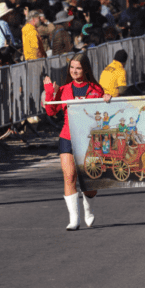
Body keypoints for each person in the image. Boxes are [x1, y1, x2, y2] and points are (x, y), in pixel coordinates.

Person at [43, 53, 108, 230]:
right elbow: (51, 111)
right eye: (72, 68)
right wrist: (50, 92)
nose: (74, 71)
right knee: (69, 176)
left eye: (78, 68)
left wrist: (107, 100)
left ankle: (89, 208)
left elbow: (103, 114)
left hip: (89, 139)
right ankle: (74, 219)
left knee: (89, 182)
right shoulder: (64, 89)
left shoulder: (96, 89)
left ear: (85, 69)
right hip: (68, 137)